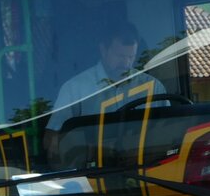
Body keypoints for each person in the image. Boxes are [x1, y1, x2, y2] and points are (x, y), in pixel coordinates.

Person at [43, 19, 162, 164]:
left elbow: (169, 132)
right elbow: (52, 140)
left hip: (144, 167)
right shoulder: (75, 88)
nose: (126, 63)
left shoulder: (152, 86)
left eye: (131, 57)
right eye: (120, 56)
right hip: (92, 171)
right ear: (103, 50)